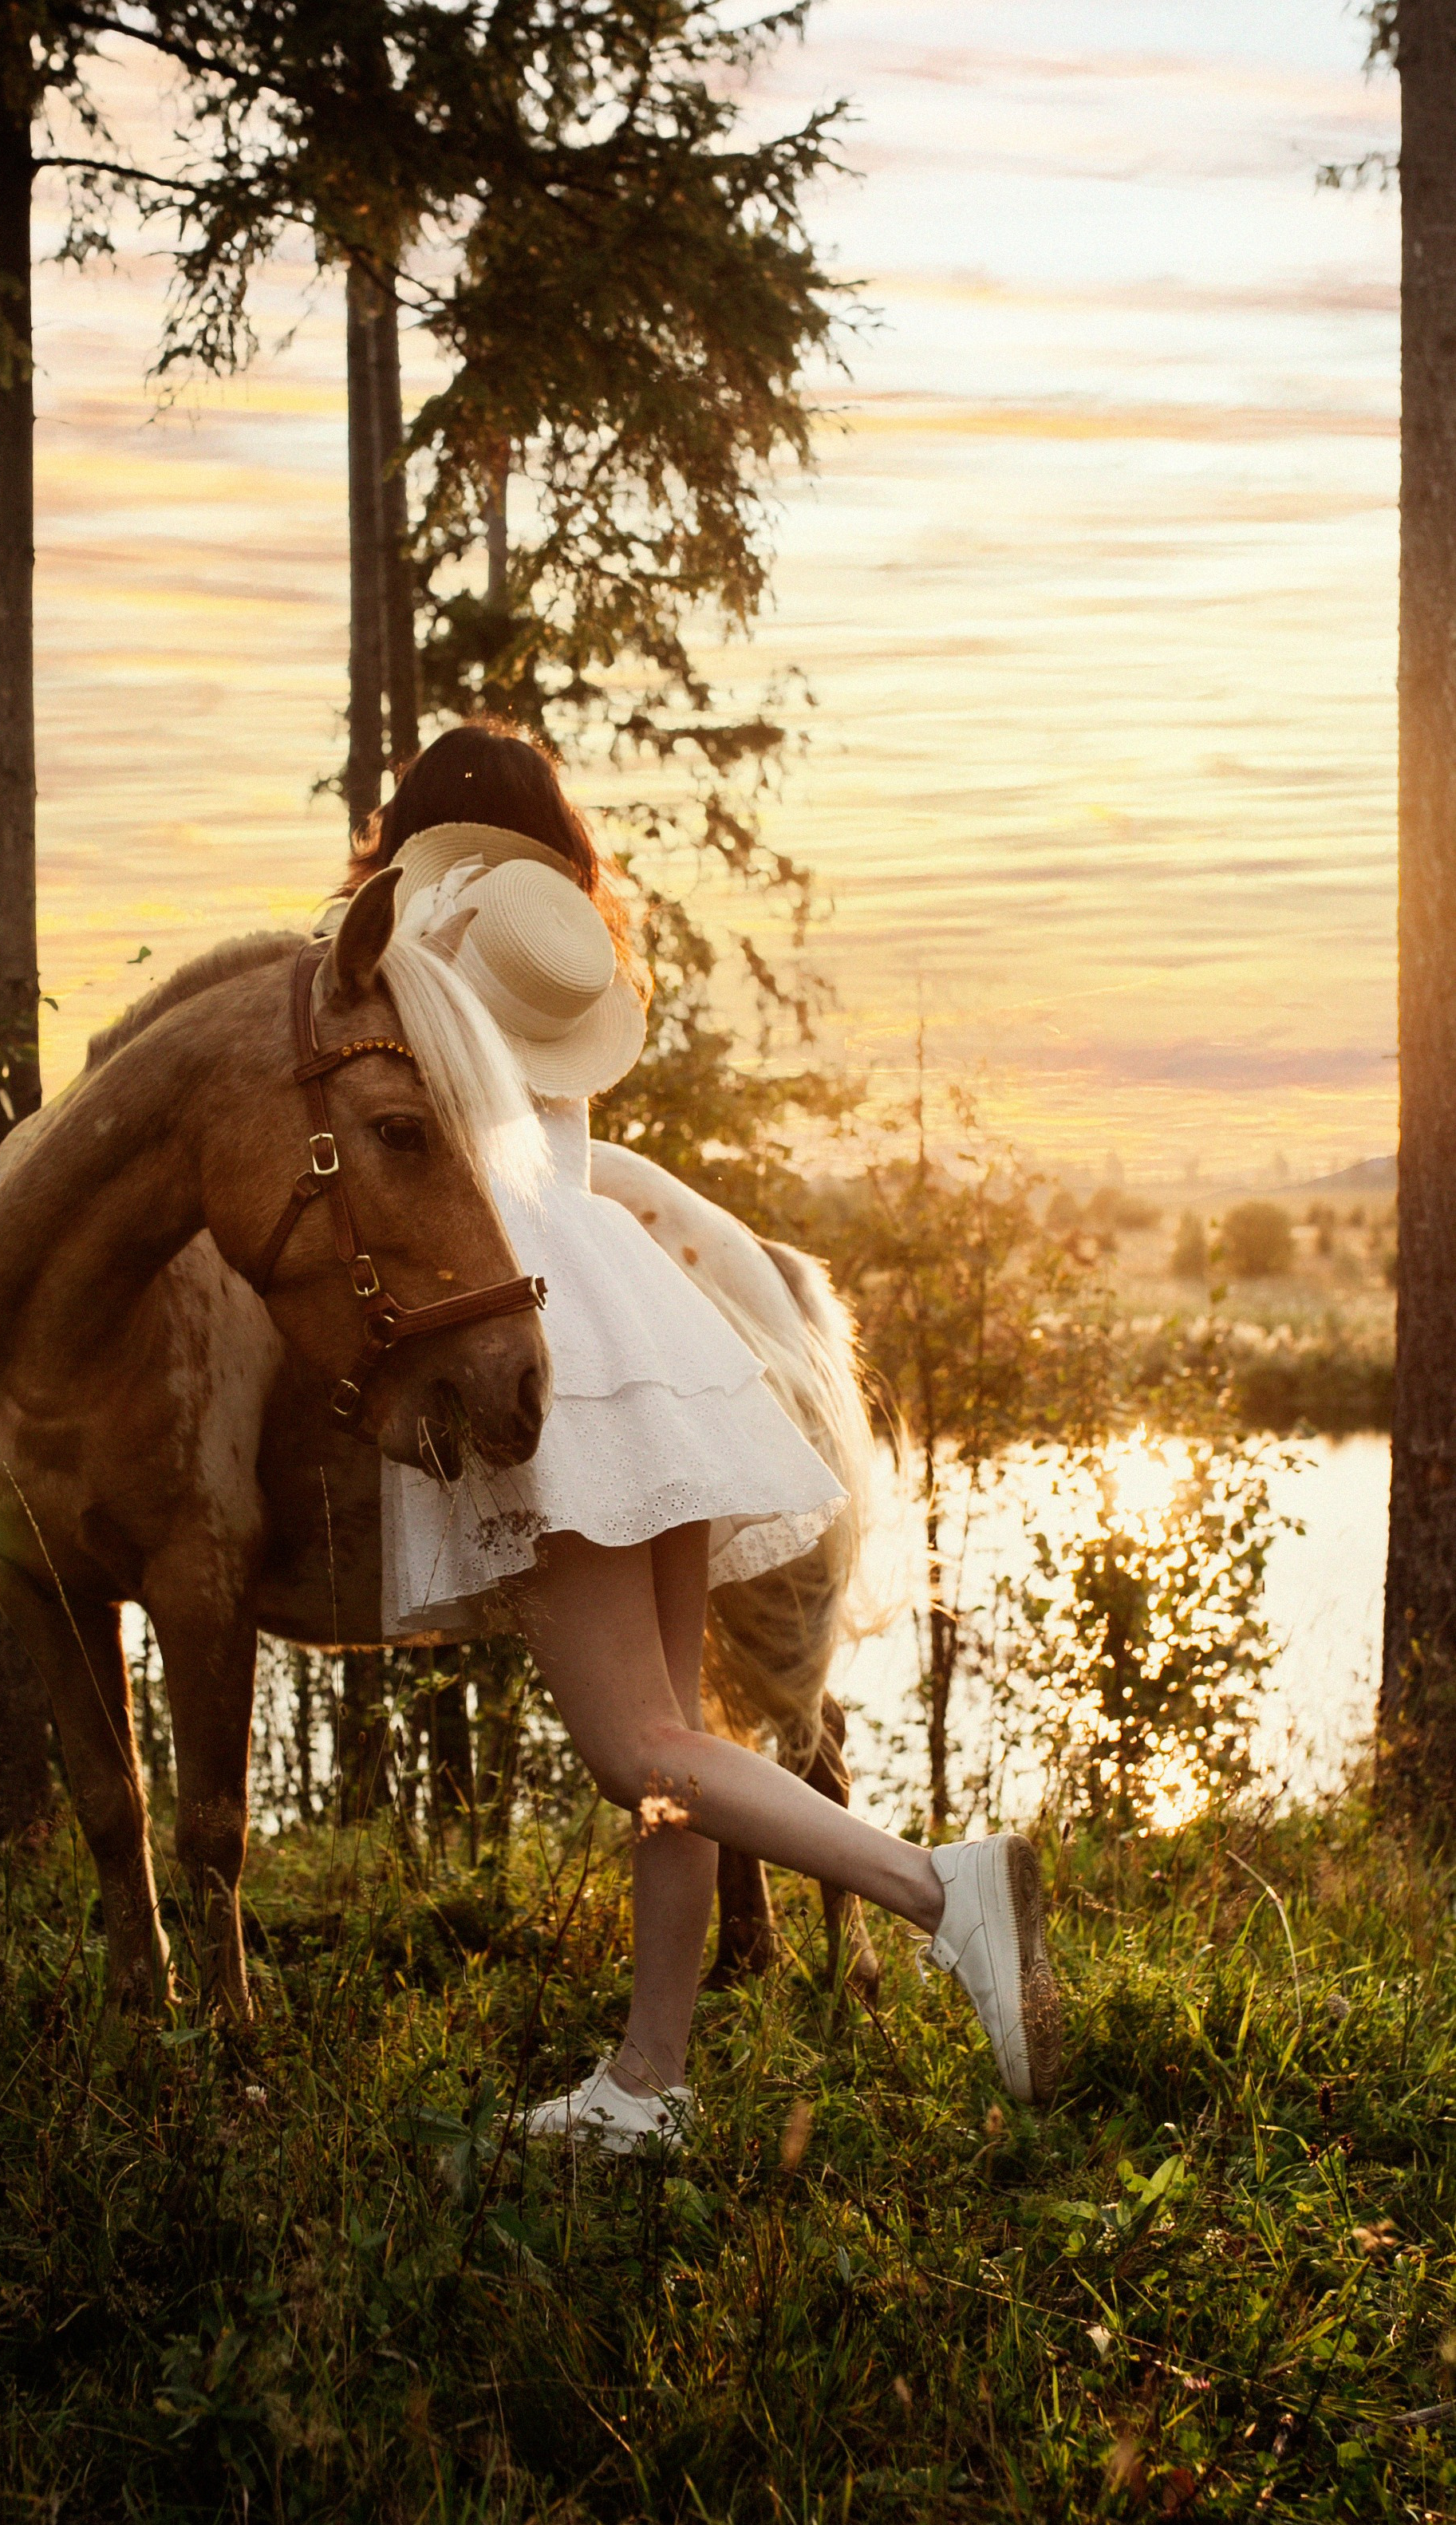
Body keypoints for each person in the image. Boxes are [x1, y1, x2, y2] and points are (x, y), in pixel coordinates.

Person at [343, 723, 1061, 2148]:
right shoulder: (556, 943)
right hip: (635, 1314)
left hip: (533, 1313)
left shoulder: (425, 929)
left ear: (417, 837)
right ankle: (648, 2082)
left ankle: (940, 1893)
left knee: (637, 1753)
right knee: (676, 1736)